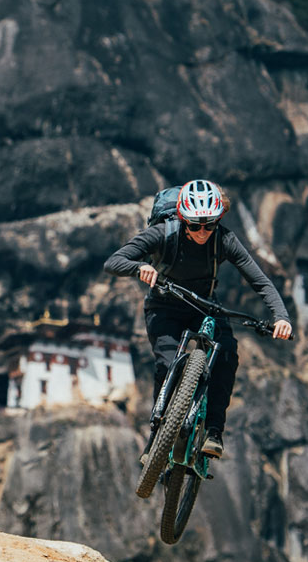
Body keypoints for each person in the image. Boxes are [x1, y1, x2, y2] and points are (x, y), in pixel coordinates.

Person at [103, 179, 292, 456]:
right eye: (194, 225)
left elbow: (260, 281)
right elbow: (113, 263)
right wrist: (139, 267)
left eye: (209, 224)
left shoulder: (224, 240)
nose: (203, 232)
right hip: (164, 306)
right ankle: (155, 439)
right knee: (167, 365)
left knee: (227, 353)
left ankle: (214, 432)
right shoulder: (161, 234)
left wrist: (281, 317)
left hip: (204, 307)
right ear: (183, 218)